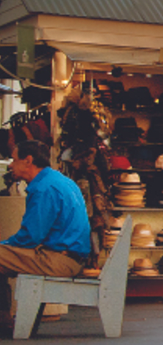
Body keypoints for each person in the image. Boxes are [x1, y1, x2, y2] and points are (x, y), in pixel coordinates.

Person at [0, 140, 93, 334]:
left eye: (14, 160)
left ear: (28, 161)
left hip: (60, 260)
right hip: (68, 256)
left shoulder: (44, 188)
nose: (10, 165)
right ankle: (4, 320)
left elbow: (29, 238)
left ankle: (4, 319)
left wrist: (5, 246)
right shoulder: (57, 180)